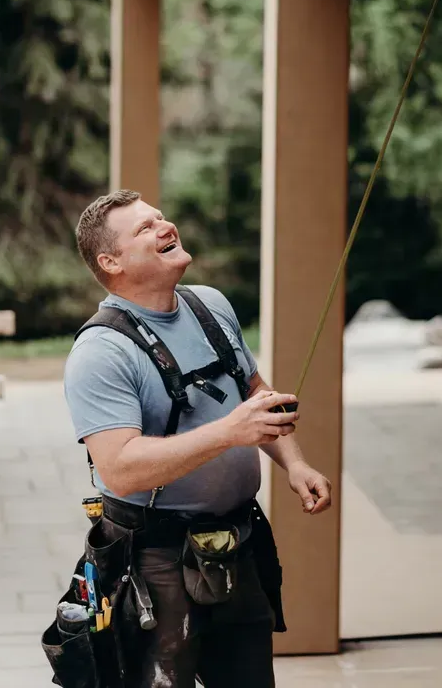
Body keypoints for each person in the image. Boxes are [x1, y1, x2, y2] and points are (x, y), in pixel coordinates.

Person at [64, 189, 332, 688]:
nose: (166, 227)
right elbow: (119, 466)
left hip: (239, 541)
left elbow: (254, 392)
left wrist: (294, 464)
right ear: (111, 261)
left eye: (162, 218)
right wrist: (230, 432)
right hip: (154, 560)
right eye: (145, 228)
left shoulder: (209, 305)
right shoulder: (100, 351)